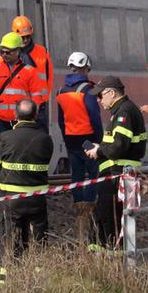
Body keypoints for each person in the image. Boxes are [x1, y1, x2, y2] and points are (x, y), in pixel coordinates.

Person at [84, 76, 147, 251]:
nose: (98, 100)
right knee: (102, 218)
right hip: (112, 175)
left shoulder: (124, 112)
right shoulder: (121, 111)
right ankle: (99, 256)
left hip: (117, 176)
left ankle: (113, 259)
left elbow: (119, 146)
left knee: (111, 220)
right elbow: (117, 143)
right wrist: (101, 148)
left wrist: (99, 151)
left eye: (100, 95)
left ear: (111, 93)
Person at [0, 98, 54, 256]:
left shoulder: (5, 137)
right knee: (38, 239)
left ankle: (8, 274)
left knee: (9, 237)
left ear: (15, 114)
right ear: (36, 115)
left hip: (11, 199)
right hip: (37, 197)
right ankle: (38, 273)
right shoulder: (46, 139)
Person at [56, 51, 102, 242]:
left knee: (76, 174)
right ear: (85, 68)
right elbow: (95, 118)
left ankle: (78, 204)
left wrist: (65, 135)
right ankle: (88, 206)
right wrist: (99, 140)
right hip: (88, 139)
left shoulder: (60, 91)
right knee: (92, 175)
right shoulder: (88, 91)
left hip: (71, 139)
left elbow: (60, 120)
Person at [0, 32, 44, 137]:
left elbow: (36, 98)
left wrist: (32, 118)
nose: (4, 55)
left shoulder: (30, 71)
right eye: (2, 52)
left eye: (8, 52)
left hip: (22, 122)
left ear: (18, 51)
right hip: (0, 121)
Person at [10, 15, 53, 96]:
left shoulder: (42, 52)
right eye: (22, 37)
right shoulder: (7, 54)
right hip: (18, 102)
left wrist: (45, 98)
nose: (25, 40)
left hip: (39, 100)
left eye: (28, 36)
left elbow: (49, 77)